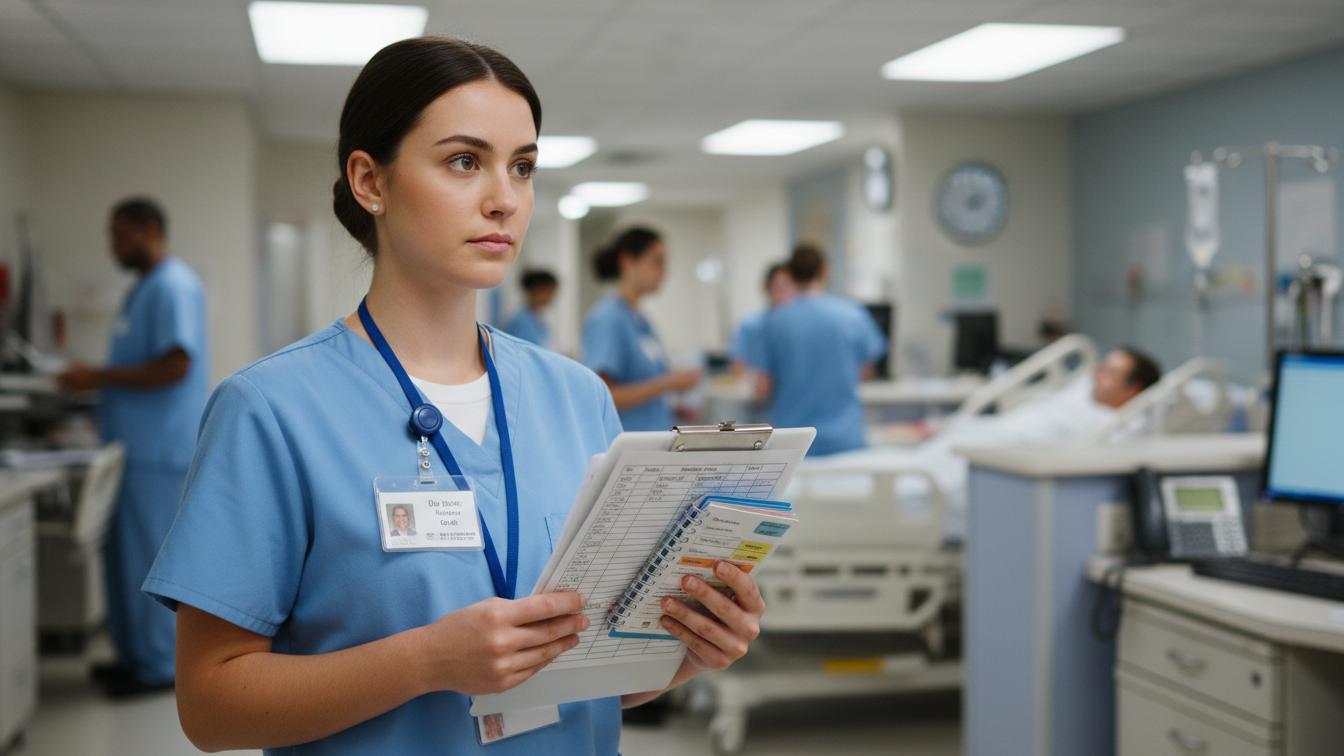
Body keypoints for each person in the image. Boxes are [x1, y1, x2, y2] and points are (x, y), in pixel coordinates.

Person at [143, 37, 764, 755]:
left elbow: (595, 675)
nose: (504, 200)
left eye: (523, 167)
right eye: (464, 161)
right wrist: (427, 662)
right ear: (370, 181)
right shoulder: (271, 410)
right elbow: (211, 706)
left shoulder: (577, 398)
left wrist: (688, 650)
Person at [54, 197, 208, 697]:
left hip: (158, 455)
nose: (113, 246)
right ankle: (132, 657)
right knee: (123, 563)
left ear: (148, 230)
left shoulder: (173, 285)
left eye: (120, 235)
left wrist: (95, 376)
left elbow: (176, 365)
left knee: (149, 566)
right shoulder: (143, 289)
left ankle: (159, 665)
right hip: (132, 452)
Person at [811, 346, 1163, 541]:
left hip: (985, 460)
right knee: (884, 465)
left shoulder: (1109, 428)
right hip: (972, 441)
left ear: (1133, 391)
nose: (1097, 374)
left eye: (1111, 371)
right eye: (1101, 366)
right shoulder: (1076, 402)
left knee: (902, 479)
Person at [747, 244, 886, 456]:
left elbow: (763, 389)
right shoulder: (854, 315)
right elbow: (865, 373)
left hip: (794, 445)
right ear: (824, 271)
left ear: (790, 275)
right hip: (846, 440)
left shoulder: (774, 322)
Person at [581, 228, 700, 431]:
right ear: (628, 261)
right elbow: (602, 396)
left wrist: (672, 408)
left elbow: (646, 383)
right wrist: (668, 383)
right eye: (657, 262)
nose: (664, 271)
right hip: (627, 448)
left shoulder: (640, 319)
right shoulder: (608, 319)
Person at [728, 263, 795, 375]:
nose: (782, 291)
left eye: (788, 285)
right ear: (767, 287)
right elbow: (737, 364)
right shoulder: (751, 324)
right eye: (778, 286)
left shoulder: (801, 325)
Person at [504, 269, 557, 348]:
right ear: (537, 289)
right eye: (549, 291)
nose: (552, 296)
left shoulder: (538, 319)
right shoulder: (521, 321)